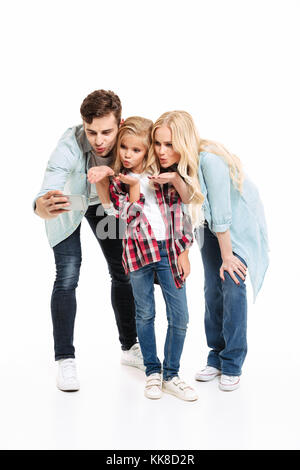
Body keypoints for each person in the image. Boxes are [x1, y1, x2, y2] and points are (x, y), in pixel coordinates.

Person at [34, 90, 144, 392]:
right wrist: (40, 205)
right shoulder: (69, 144)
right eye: (91, 131)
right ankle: (64, 359)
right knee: (67, 277)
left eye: (107, 132)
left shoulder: (130, 138)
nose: (99, 140)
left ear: (119, 123)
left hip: (106, 205)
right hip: (69, 205)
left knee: (122, 271)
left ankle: (129, 347)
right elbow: (51, 181)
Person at [88, 115, 203, 401]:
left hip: (169, 253)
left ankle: (172, 374)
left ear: (148, 149)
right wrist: (132, 188)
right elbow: (127, 222)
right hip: (138, 255)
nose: (128, 155)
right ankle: (153, 371)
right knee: (145, 314)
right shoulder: (118, 182)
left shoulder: (162, 175)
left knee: (180, 316)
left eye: (136, 150)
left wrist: (185, 251)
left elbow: (184, 212)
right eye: (124, 148)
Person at [193, 129, 269, 391]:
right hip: (207, 227)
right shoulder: (177, 166)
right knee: (212, 289)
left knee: (232, 285)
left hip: (234, 228)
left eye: (168, 143)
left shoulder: (209, 160)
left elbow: (223, 213)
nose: (161, 149)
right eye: (157, 143)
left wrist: (227, 255)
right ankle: (216, 355)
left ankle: (233, 361)